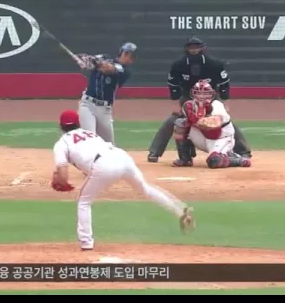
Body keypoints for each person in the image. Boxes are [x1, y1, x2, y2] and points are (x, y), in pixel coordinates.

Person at [51, 110, 196, 251]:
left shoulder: (62, 143)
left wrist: (62, 182)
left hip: (103, 165)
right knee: (145, 189)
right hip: (122, 157)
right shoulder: (90, 134)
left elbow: (63, 173)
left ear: (61, 126)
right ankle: (180, 210)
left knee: (83, 202)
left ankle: (86, 242)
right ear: (78, 123)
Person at [147, 36, 251, 163]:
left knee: (225, 121)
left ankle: (244, 152)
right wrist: (176, 106)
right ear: (186, 49)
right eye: (191, 47)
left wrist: (225, 103)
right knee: (173, 121)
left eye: (196, 47)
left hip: (211, 97)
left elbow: (224, 84)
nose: (194, 50)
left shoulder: (214, 64)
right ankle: (156, 152)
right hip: (188, 97)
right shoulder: (178, 65)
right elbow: (173, 86)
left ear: (202, 48)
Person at [173, 80, 250, 168]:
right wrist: (190, 120)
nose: (201, 96)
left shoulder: (216, 105)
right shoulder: (189, 105)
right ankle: (185, 159)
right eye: (198, 93)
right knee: (180, 123)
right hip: (202, 137)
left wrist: (204, 118)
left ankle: (237, 159)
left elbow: (216, 121)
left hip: (221, 137)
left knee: (214, 161)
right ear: (193, 94)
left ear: (211, 94)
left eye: (205, 93)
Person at [75, 42, 137, 144]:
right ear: (122, 52)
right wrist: (85, 60)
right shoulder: (105, 57)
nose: (129, 58)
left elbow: (109, 69)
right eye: (127, 54)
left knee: (109, 145)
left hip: (105, 110)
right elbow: (91, 60)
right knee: (89, 140)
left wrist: (96, 63)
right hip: (87, 104)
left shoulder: (125, 71)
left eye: (132, 56)